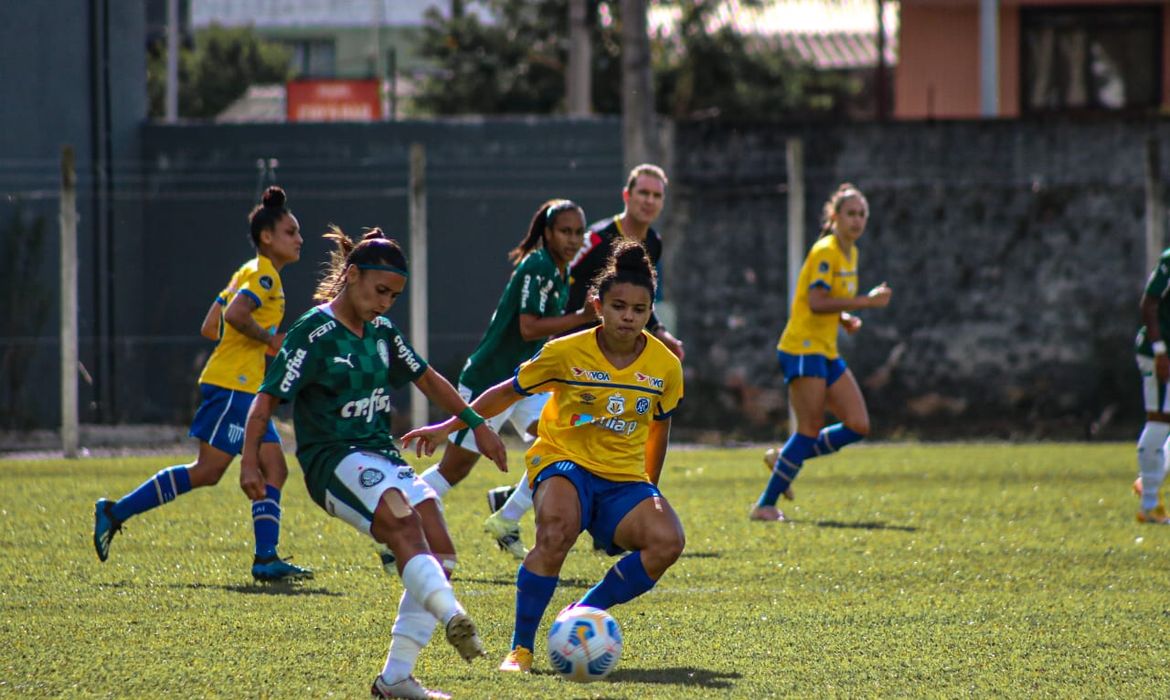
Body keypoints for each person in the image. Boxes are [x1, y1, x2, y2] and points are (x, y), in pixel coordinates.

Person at [241, 226, 504, 698]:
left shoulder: (382, 332)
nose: (386, 302)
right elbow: (264, 402)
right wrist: (248, 463)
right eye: (381, 291)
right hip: (332, 459)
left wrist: (475, 423)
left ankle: (396, 679)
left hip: (381, 453)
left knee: (441, 550)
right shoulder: (313, 333)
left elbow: (428, 379)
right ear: (352, 275)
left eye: (394, 296)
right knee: (402, 526)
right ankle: (453, 617)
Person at [402, 239, 686, 674]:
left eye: (639, 309)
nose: (628, 316)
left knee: (668, 542)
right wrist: (446, 427)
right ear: (597, 305)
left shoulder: (665, 366)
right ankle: (521, 649)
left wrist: (651, 486)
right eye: (618, 306)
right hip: (563, 460)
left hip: (624, 479)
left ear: (650, 312)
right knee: (556, 531)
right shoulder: (566, 352)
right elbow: (504, 392)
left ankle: (581, 614)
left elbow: (659, 428)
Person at [93, 186, 312, 581]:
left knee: (274, 468)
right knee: (209, 470)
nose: (299, 239)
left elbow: (211, 325)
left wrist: (244, 342)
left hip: (239, 385)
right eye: (290, 232)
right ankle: (114, 511)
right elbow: (237, 316)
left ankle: (266, 558)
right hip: (234, 387)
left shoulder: (246, 271)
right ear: (267, 237)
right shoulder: (265, 277)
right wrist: (269, 341)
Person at [484, 164, 685, 535]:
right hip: (579, 350)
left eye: (657, 195)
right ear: (627, 196)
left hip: (618, 352)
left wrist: (661, 333)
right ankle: (518, 509)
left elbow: (641, 301)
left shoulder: (652, 242)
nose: (649, 201)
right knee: (571, 437)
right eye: (643, 193)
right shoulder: (595, 238)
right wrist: (565, 327)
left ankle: (513, 506)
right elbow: (560, 277)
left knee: (591, 436)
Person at [410, 200, 598, 562]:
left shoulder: (559, 272)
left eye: (578, 232)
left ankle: (506, 518)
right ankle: (396, 519)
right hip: (490, 382)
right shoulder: (539, 266)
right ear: (547, 233)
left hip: (524, 382)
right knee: (456, 468)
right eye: (565, 231)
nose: (573, 239)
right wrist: (582, 317)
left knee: (561, 444)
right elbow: (529, 328)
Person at [750, 183, 892, 522]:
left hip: (825, 350)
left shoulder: (850, 253)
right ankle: (765, 505)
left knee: (858, 424)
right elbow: (815, 301)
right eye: (850, 214)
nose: (857, 220)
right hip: (802, 348)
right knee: (809, 429)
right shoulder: (826, 250)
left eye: (862, 214)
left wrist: (844, 318)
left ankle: (785, 458)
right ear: (835, 216)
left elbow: (825, 302)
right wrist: (865, 302)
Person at [1132, 248, 1170, 523]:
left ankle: (1148, 483)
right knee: (1158, 420)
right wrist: (1159, 351)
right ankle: (1149, 504)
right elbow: (1149, 303)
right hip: (1159, 353)